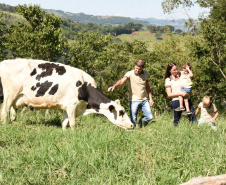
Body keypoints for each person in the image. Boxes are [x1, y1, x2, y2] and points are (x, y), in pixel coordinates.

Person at [108, 59, 154, 127]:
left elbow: (147, 86)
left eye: (140, 69)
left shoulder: (146, 73)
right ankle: (134, 132)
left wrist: (151, 98)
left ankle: (141, 123)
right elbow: (121, 81)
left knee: (150, 117)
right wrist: (114, 86)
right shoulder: (129, 73)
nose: (138, 70)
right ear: (135, 66)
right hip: (134, 100)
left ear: (143, 68)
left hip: (144, 100)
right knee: (133, 120)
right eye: (137, 68)